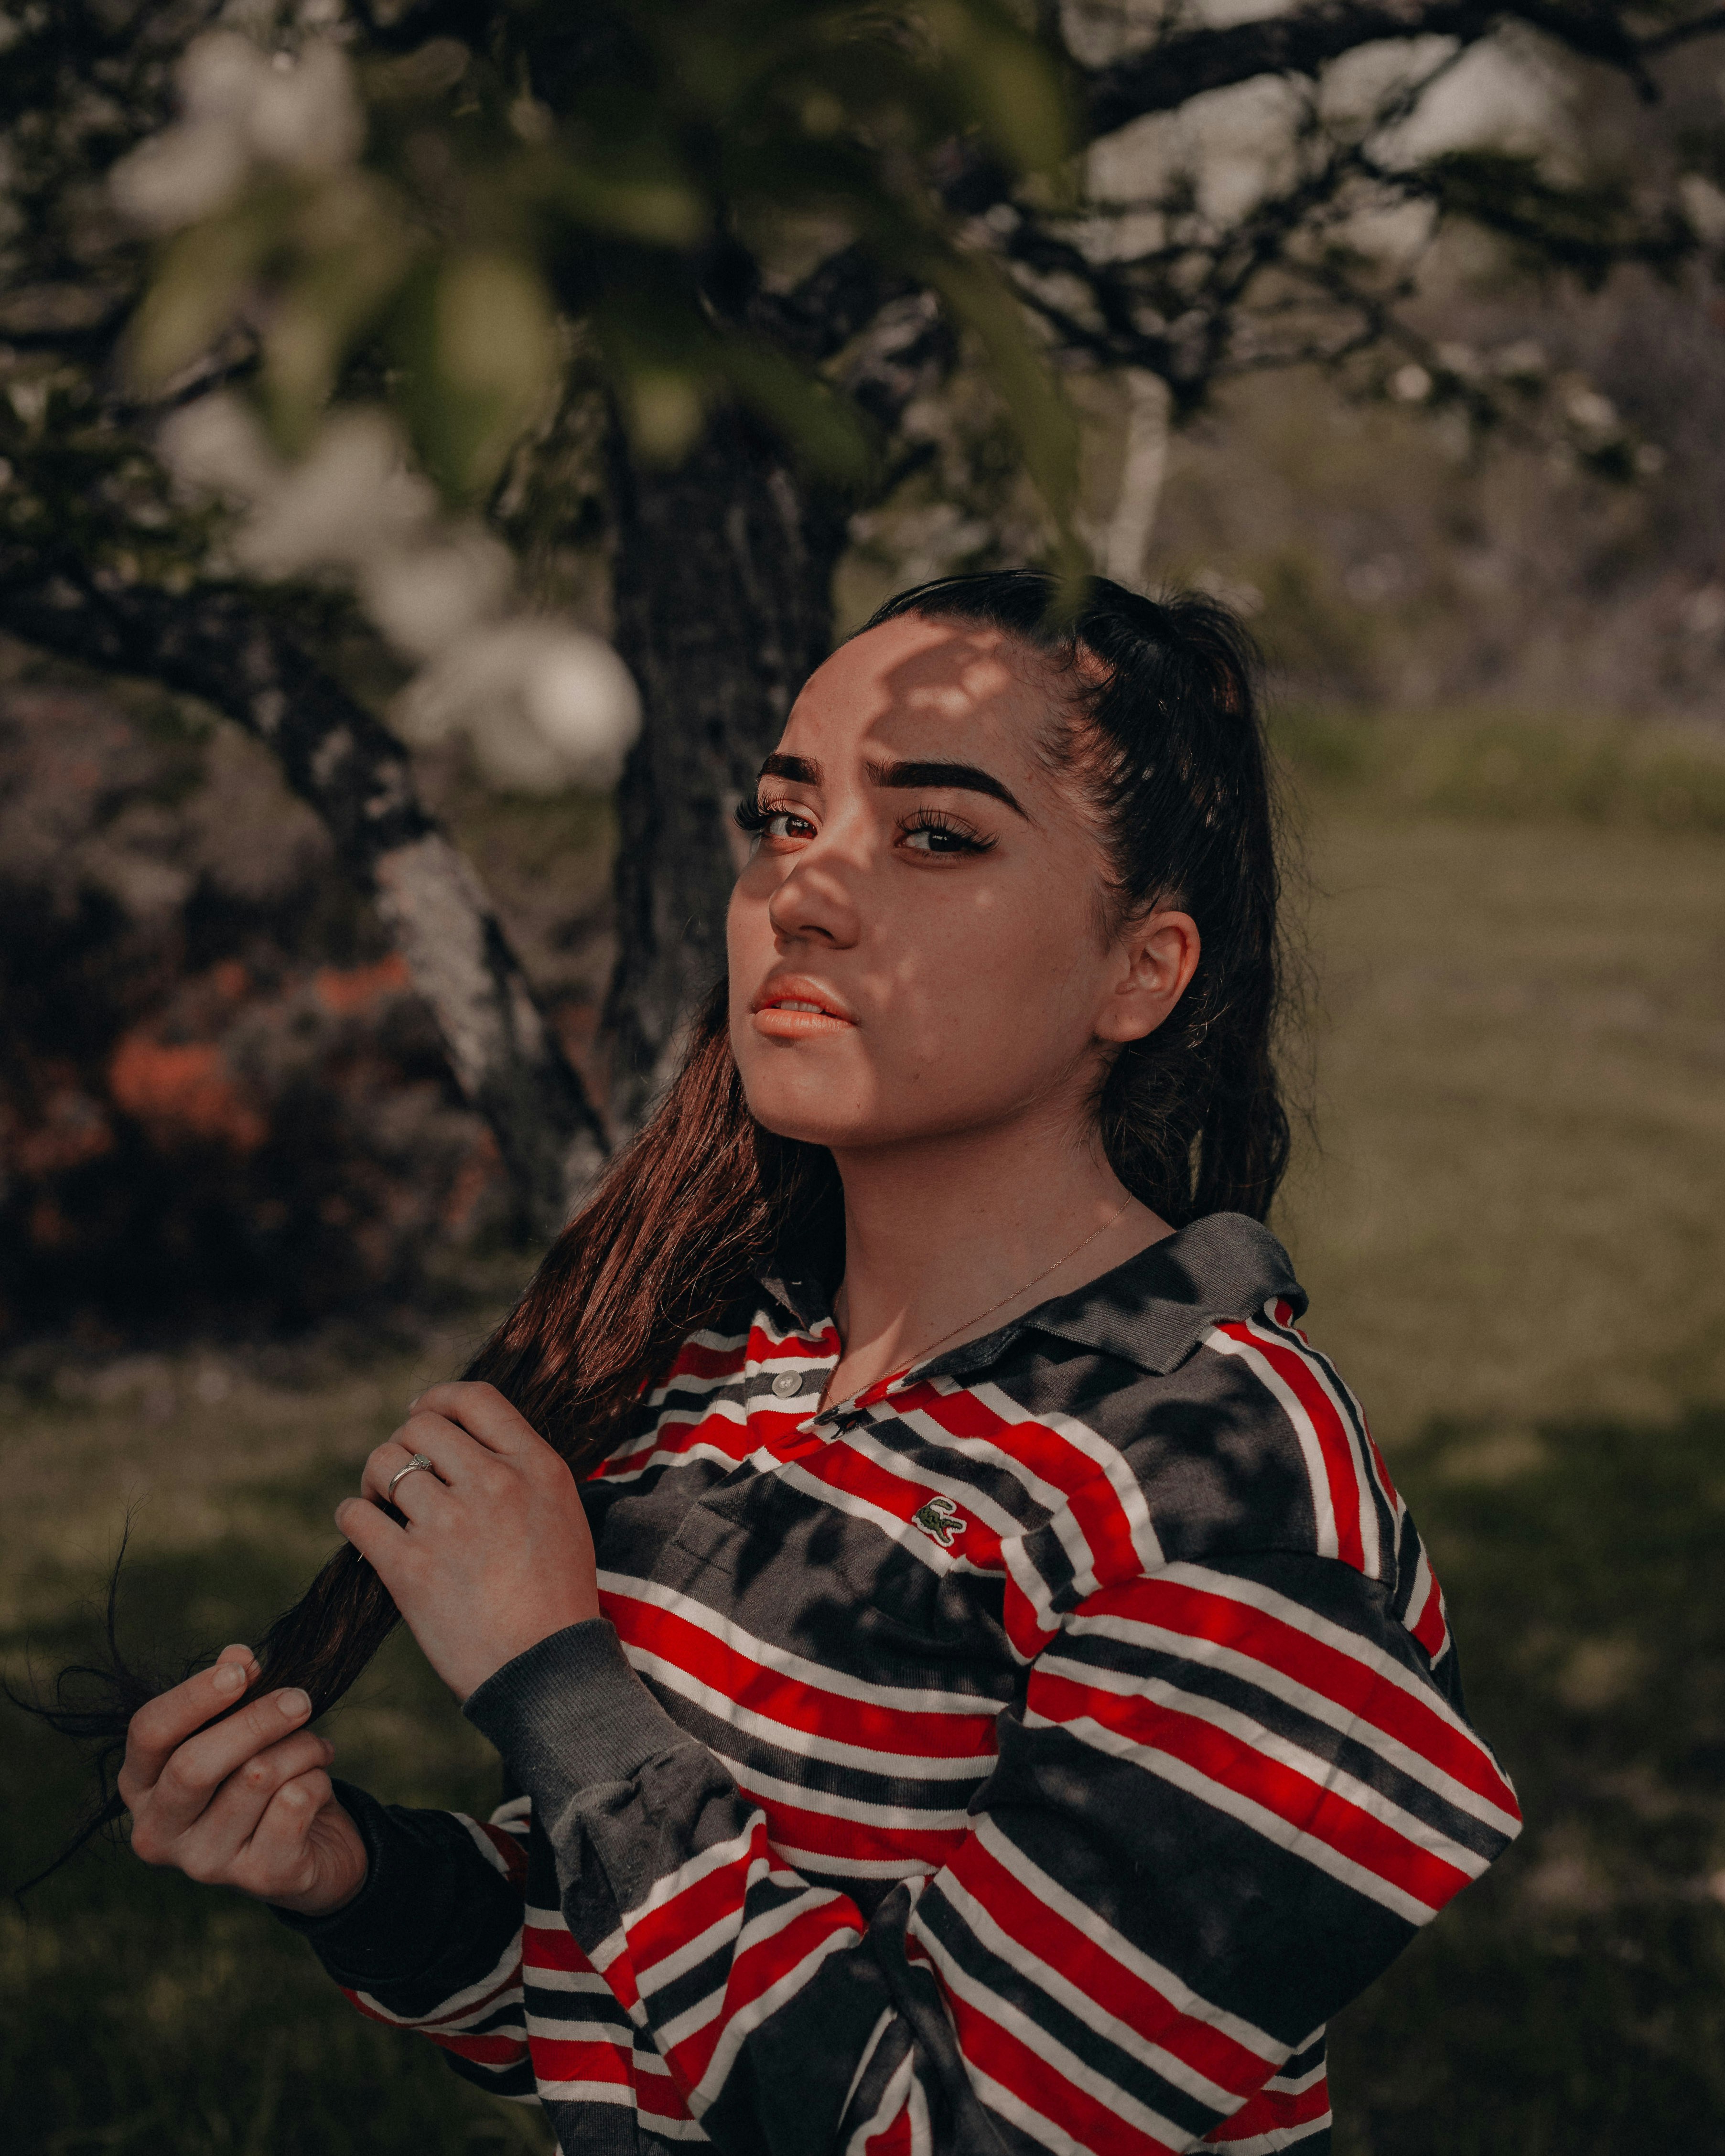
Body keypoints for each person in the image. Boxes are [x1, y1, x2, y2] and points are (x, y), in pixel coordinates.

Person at [109, 573, 1520, 2155]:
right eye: (784, 819)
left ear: (1144, 969)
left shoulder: (1227, 1488)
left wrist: (553, 1682)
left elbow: (939, 2129)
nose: (806, 888)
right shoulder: (728, 1375)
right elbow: (636, 1997)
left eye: (935, 836)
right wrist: (352, 1875)